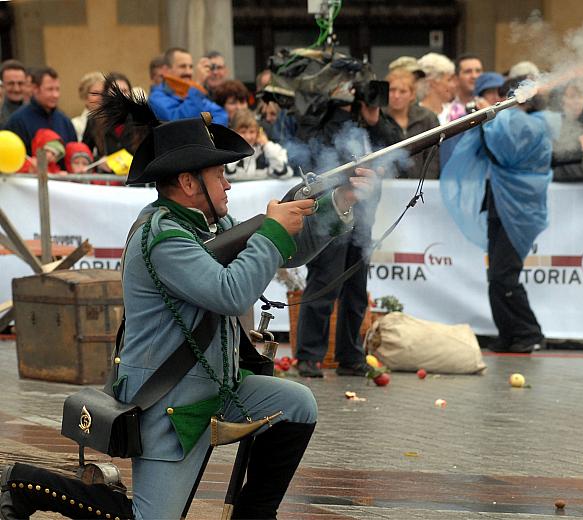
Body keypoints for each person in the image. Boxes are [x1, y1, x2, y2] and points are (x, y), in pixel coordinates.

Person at [0, 86, 376, 520]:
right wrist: (273, 230)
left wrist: (338, 202)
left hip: (217, 386)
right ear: (187, 181)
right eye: (220, 175)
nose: (228, 182)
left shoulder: (207, 224)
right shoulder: (163, 236)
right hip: (169, 402)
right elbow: (231, 290)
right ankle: (26, 484)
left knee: (297, 405)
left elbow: (284, 252)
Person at [440, 84, 556, 353]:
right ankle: (509, 333)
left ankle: (529, 333)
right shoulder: (517, 122)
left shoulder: (534, 125)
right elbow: (494, 146)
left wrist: (489, 116)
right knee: (497, 275)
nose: (504, 102)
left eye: (509, 97)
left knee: (504, 275)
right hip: (499, 204)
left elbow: (505, 146)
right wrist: (486, 120)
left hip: (518, 210)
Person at [294, 89, 401, 378]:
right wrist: (337, 108)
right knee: (325, 284)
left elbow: (399, 148)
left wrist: (374, 119)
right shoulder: (322, 115)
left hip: (364, 215)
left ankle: (350, 355)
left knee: (356, 291)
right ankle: (309, 356)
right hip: (330, 210)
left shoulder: (372, 119)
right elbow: (314, 145)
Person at [4, 66, 77, 154]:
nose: (55, 95)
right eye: (50, 89)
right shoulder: (17, 121)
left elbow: (74, 155)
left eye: (57, 89)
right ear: (35, 89)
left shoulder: (64, 121)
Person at [382, 68, 440, 179]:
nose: (396, 96)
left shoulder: (427, 118)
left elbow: (433, 156)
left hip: (421, 186)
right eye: (392, 90)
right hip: (387, 185)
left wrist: (426, 184)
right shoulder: (378, 117)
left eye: (403, 91)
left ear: (412, 95)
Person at [149, 47, 227, 126]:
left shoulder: (190, 93)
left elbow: (220, 115)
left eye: (190, 67)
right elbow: (180, 123)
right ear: (166, 70)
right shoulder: (156, 98)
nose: (188, 72)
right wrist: (198, 84)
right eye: (183, 66)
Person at [226, 108, 292, 180]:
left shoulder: (270, 149)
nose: (248, 137)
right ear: (233, 132)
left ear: (258, 132)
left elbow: (285, 174)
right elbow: (227, 174)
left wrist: (266, 145)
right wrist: (237, 149)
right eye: (243, 132)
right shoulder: (225, 151)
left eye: (251, 132)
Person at [417, 52, 456, 125]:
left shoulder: (456, 113)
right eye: (449, 80)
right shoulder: (414, 115)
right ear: (433, 83)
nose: (453, 85)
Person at [71, 71, 104, 141]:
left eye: (104, 93)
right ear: (85, 97)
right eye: (95, 93)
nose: (101, 97)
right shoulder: (75, 125)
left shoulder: (112, 123)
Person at [0, 60, 27, 128]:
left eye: (20, 83)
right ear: (2, 85)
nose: (16, 89)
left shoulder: (37, 111)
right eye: (11, 84)